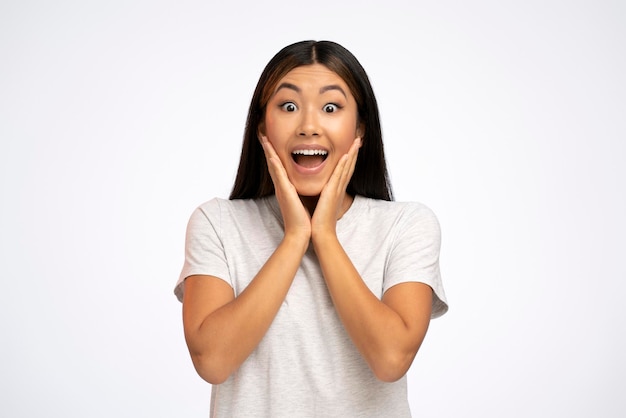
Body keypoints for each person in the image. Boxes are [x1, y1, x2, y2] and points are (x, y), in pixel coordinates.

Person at [174, 40, 448, 418]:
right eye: (288, 106)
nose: (308, 126)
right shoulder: (217, 223)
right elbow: (212, 361)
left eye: (331, 107)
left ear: (360, 130)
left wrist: (325, 236)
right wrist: (293, 239)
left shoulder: (406, 226)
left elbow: (391, 359)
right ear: (261, 127)